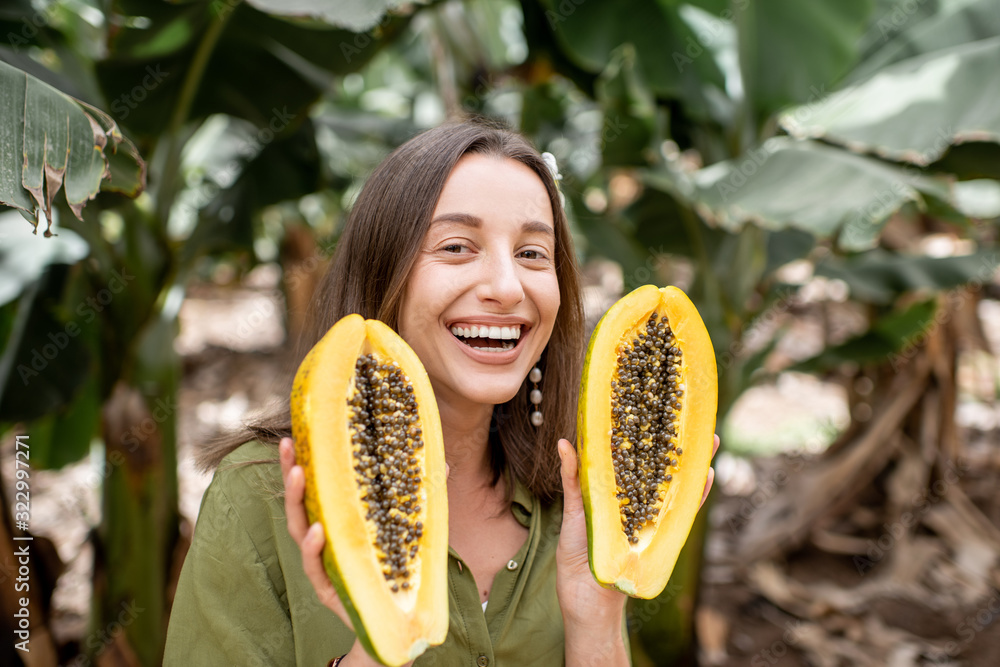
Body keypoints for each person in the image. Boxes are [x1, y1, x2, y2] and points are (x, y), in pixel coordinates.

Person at [164, 116, 718, 666]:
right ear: (386, 275)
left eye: (532, 254)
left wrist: (596, 617)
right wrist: (380, 641)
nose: (506, 287)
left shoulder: (584, 499)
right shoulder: (258, 501)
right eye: (456, 247)